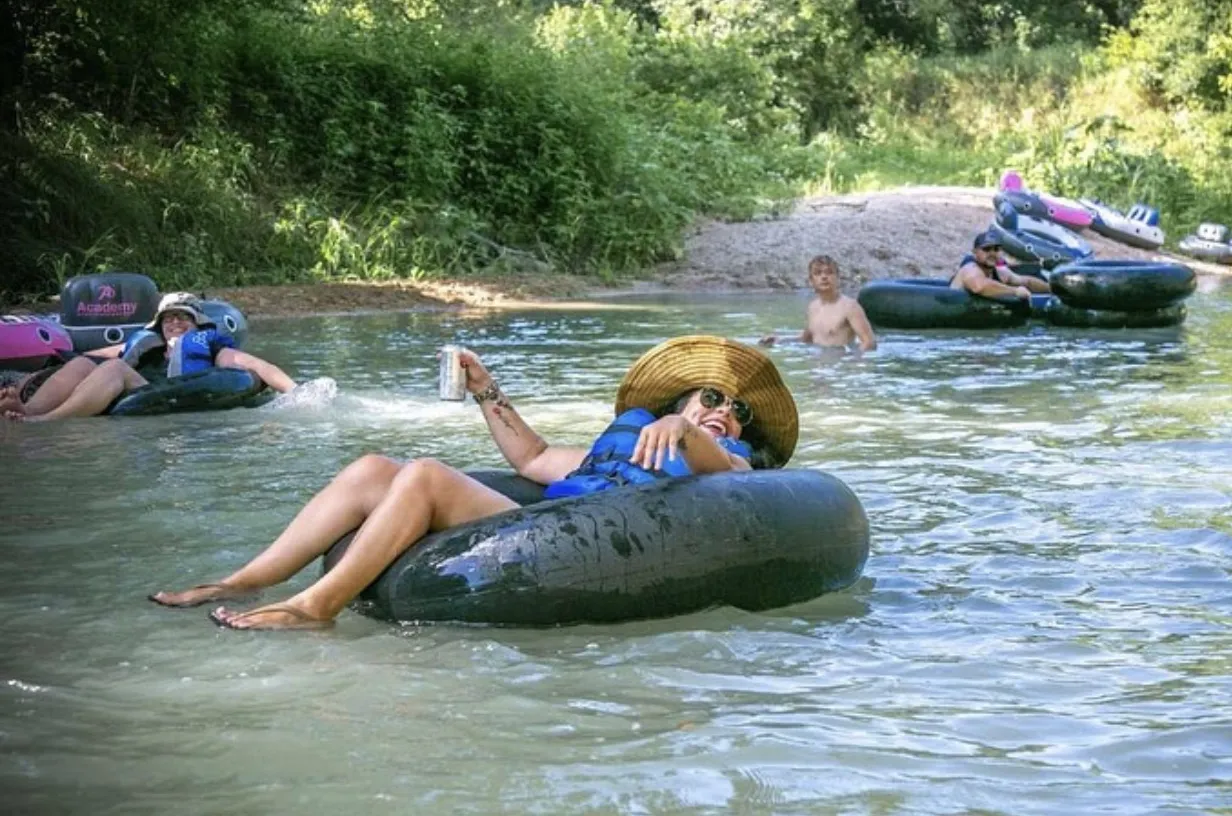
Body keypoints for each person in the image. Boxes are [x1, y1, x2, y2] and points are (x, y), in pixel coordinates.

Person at [149, 334, 799, 631]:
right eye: (712, 397)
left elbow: (731, 474)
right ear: (685, 395)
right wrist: (486, 388)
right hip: (555, 517)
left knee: (429, 476)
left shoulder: (725, 459)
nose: (725, 411)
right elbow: (535, 460)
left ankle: (316, 606)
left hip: (606, 536)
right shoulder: (625, 435)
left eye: (738, 413)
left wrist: (691, 435)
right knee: (375, 467)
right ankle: (248, 578)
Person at [3, 292, 296, 422]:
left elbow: (259, 367)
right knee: (81, 363)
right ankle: (28, 411)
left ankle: (45, 421)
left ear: (198, 325)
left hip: (173, 391)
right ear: (158, 325)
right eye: (169, 319)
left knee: (115, 368)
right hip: (134, 385)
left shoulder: (211, 348)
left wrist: (297, 393)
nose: (176, 322)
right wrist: (35, 376)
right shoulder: (147, 345)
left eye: (185, 318)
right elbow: (86, 357)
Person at [760, 254, 877, 352]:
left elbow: (869, 343)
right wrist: (779, 341)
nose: (824, 277)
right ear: (811, 280)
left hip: (841, 368)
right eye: (818, 273)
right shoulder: (813, 308)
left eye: (829, 272)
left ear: (838, 278)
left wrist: (851, 364)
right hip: (817, 368)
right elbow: (806, 339)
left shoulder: (850, 307)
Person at [951, 230, 1051, 299]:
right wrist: (1015, 291)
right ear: (975, 252)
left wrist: (1054, 290)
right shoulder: (970, 268)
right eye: (987, 249)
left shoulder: (1001, 272)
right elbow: (979, 286)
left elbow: (1028, 282)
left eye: (996, 249)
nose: (992, 253)